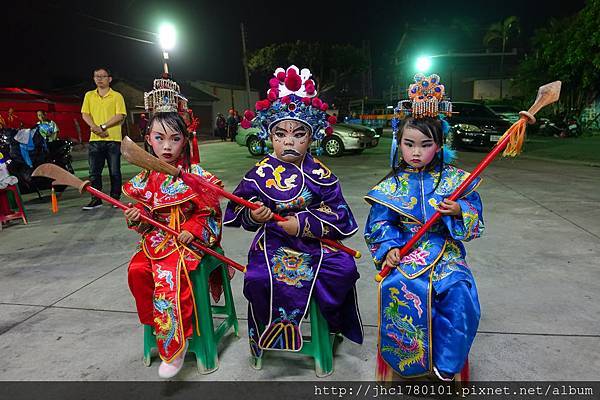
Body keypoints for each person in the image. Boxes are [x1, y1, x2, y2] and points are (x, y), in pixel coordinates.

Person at [224, 65, 363, 363]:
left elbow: (339, 213)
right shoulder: (258, 173)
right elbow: (238, 208)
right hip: (272, 243)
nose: (289, 142)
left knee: (346, 270)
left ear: (311, 138)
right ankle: (274, 329)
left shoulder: (320, 172)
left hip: (317, 244)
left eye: (299, 135)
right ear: (269, 135)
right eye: (280, 134)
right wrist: (256, 217)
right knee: (260, 279)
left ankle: (331, 323)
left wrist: (302, 223)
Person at [364, 73, 483, 382]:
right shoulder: (390, 186)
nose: (416, 152)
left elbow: (475, 221)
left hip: (445, 252)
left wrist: (459, 210)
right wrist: (389, 248)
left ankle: (447, 362)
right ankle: (406, 359)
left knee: (460, 291)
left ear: (440, 145)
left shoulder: (457, 181)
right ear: (398, 143)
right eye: (409, 144)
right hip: (406, 251)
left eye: (425, 145)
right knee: (401, 288)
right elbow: (378, 224)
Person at [122, 76, 227, 379]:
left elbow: (210, 212)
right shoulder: (145, 177)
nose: (166, 147)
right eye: (158, 138)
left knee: (171, 274)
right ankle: (161, 327)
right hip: (156, 241)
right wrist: (137, 217)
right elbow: (144, 210)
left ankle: (174, 347)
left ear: (187, 139)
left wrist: (193, 230)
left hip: (188, 242)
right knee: (137, 271)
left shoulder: (197, 175)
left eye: (174, 139)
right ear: (148, 139)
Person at [80, 67, 126, 210]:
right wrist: (96, 128)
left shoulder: (117, 96)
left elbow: (120, 115)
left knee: (114, 171)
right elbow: (85, 114)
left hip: (113, 140)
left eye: (103, 76)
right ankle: (96, 199)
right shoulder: (89, 95)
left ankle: (115, 198)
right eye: (96, 76)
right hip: (95, 140)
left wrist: (103, 127)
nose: (99, 79)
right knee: (94, 172)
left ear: (109, 79)